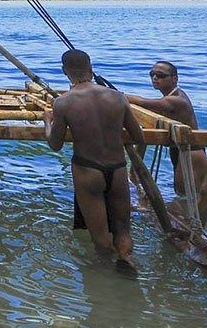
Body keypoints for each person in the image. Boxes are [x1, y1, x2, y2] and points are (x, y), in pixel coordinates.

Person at [44, 49, 144, 269]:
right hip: (117, 168)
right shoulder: (117, 97)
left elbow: (55, 144)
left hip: (88, 169)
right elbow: (139, 136)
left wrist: (47, 122)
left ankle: (104, 279)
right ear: (91, 68)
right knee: (123, 227)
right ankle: (127, 259)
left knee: (100, 237)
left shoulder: (63, 102)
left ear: (65, 72)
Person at [125, 61, 207, 197]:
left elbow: (143, 102)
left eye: (160, 75)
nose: (154, 78)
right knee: (184, 196)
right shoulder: (170, 97)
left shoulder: (177, 100)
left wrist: (117, 95)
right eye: (152, 74)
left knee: (187, 198)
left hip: (192, 154)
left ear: (174, 79)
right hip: (180, 150)